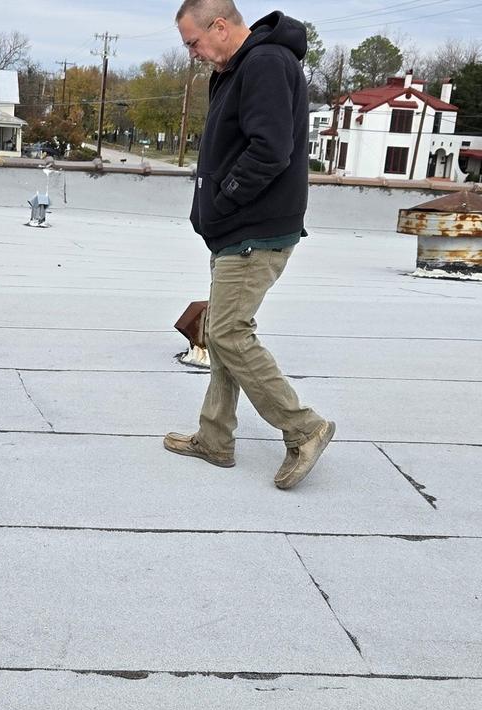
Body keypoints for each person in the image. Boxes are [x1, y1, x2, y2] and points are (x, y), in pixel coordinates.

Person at [164, 0, 335, 490]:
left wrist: (223, 199)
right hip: (240, 229)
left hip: (254, 230)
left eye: (193, 42)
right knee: (221, 327)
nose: (192, 53)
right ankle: (214, 438)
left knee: (230, 333)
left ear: (220, 26)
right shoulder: (241, 65)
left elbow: (271, 149)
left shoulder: (264, 63)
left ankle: (305, 428)